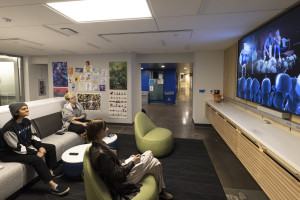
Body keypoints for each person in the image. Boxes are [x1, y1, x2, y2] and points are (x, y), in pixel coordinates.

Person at [82, 119, 173, 200]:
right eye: (105, 128)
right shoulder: (101, 154)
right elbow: (117, 175)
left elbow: (112, 164)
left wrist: (129, 159)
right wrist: (132, 162)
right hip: (123, 181)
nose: (107, 129)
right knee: (150, 155)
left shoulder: (99, 144)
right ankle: (161, 192)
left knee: (154, 161)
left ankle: (161, 192)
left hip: (120, 169)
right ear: (98, 133)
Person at [0, 102, 70, 196]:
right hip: (9, 153)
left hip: (24, 146)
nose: (27, 110)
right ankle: (53, 186)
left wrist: (40, 146)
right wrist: (35, 152)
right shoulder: (9, 128)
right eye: (23, 109)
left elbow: (33, 136)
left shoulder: (27, 121)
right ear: (16, 113)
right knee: (36, 159)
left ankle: (50, 172)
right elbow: (16, 148)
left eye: (27, 108)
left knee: (50, 147)